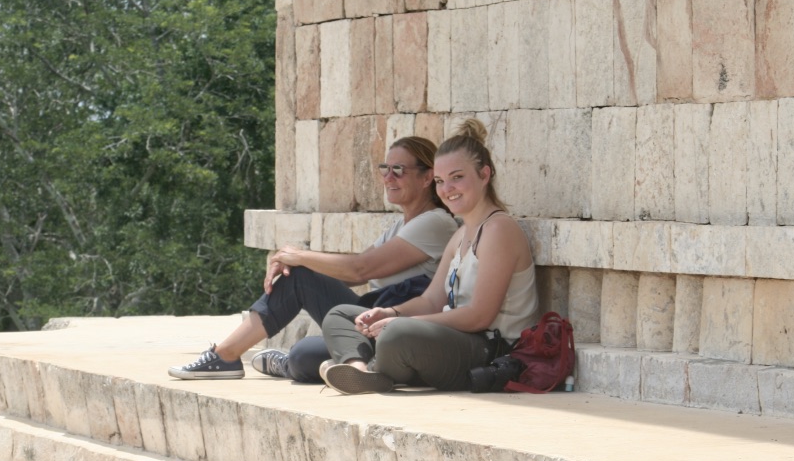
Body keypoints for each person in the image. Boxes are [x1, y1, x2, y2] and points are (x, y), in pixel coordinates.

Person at [168, 136, 458, 381]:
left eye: (398, 170)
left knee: (301, 284)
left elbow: (360, 270)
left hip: (397, 327)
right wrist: (298, 260)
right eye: (385, 168)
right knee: (302, 355)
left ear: (426, 176)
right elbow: (353, 270)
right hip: (372, 323)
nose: (388, 178)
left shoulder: (435, 222)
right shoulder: (402, 224)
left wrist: (298, 257)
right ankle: (305, 364)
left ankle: (225, 356)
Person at [319, 119, 539, 394]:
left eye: (457, 177)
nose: (447, 189)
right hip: (452, 337)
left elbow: (479, 317)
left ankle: (375, 366)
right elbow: (432, 300)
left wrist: (401, 322)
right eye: (439, 181)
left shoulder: (499, 229)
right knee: (341, 315)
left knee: (397, 335)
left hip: (490, 350)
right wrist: (389, 312)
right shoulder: (460, 235)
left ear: (484, 175)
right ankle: (360, 371)